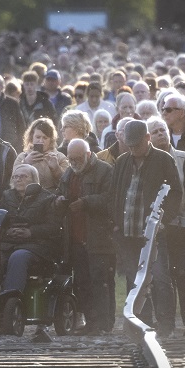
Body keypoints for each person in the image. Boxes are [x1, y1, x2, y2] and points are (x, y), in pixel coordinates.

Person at [110, 119, 182, 335]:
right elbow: (114, 195)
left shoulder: (163, 160)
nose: (133, 150)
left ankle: (166, 325)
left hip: (154, 234)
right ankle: (142, 323)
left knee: (159, 278)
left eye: (136, 145)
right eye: (129, 146)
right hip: (128, 234)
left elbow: (175, 193)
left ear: (147, 139)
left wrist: (163, 221)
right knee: (135, 281)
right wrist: (115, 223)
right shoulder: (122, 161)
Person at [57, 138, 115, 334]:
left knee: (101, 281)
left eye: (77, 158)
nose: (73, 162)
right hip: (75, 238)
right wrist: (59, 200)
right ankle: (91, 323)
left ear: (89, 155)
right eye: (70, 158)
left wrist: (86, 202)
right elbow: (59, 193)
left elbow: (111, 200)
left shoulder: (105, 171)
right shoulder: (68, 173)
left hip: (98, 238)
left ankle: (105, 324)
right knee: (82, 282)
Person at [0, 164, 62, 297]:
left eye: (23, 176)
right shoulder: (6, 196)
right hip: (9, 243)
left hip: (37, 246)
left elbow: (54, 227)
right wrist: (7, 232)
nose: (18, 179)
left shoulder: (47, 198)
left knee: (18, 256)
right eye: (15, 176)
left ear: (34, 180)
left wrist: (31, 232)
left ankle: (11, 298)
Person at [14, 118, 70, 190]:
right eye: (38, 137)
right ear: (32, 138)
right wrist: (25, 163)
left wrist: (56, 169)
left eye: (45, 138)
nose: (41, 141)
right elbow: (13, 183)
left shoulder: (60, 157)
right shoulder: (22, 157)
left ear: (51, 140)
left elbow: (67, 184)